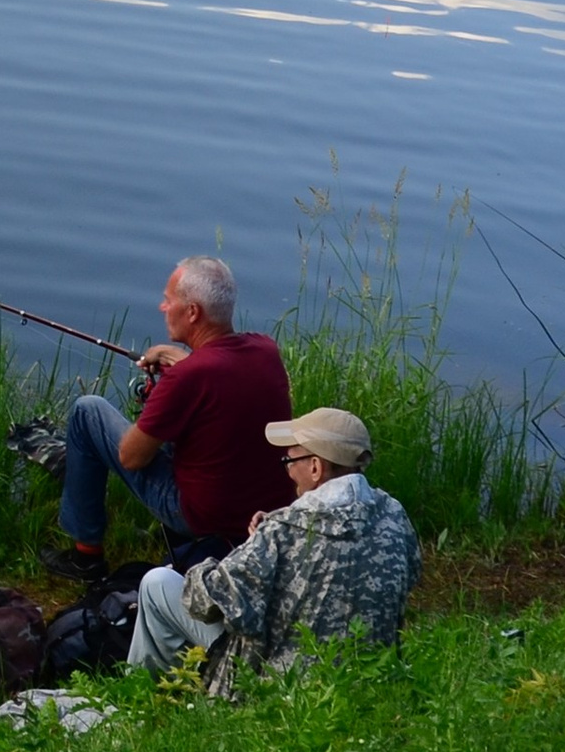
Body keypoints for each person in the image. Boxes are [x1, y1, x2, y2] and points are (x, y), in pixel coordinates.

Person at [126, 407, 421, 691]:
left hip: (279, 687)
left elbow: (205, 603)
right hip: (371, 678)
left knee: (157, 584)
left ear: (316, 467)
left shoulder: (282, 531)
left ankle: (141, 697)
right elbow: (401, 573)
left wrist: (210, 564)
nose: (289, 470)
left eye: (290, 461)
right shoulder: (394, 515)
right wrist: (269, 537)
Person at [52, 256, 290, 576]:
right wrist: (172, 356)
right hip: (260, 513)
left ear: (192, 312)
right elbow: (214, 369)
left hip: (200, 516)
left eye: (168, 300)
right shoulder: (266, 350)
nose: (162, 308)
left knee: (88, 412)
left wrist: (160, 397)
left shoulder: (187, 378)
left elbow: (131, 457)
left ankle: (86, 555)